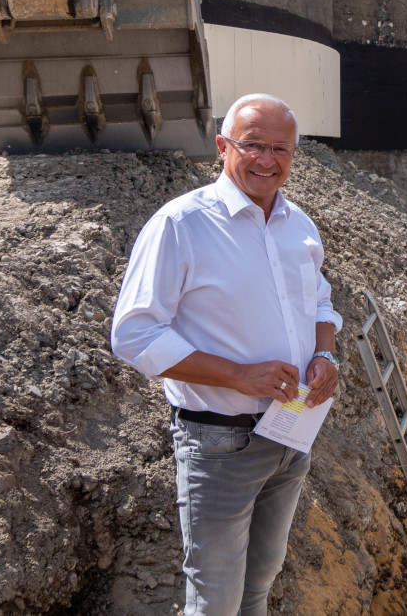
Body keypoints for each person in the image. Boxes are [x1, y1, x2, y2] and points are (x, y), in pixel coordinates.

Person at [111, 93, 341, 616]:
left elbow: (321, 302)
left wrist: (326, 357)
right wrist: (238, 376)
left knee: (258, 585)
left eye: (280, 148)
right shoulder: (181, 225)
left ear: (294, 154)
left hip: (290, 434)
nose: (267, 160)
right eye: (253, 145)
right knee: (215, 601)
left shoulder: (298, 226)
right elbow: (134, 335)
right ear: (222, 146)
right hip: (218, 444)